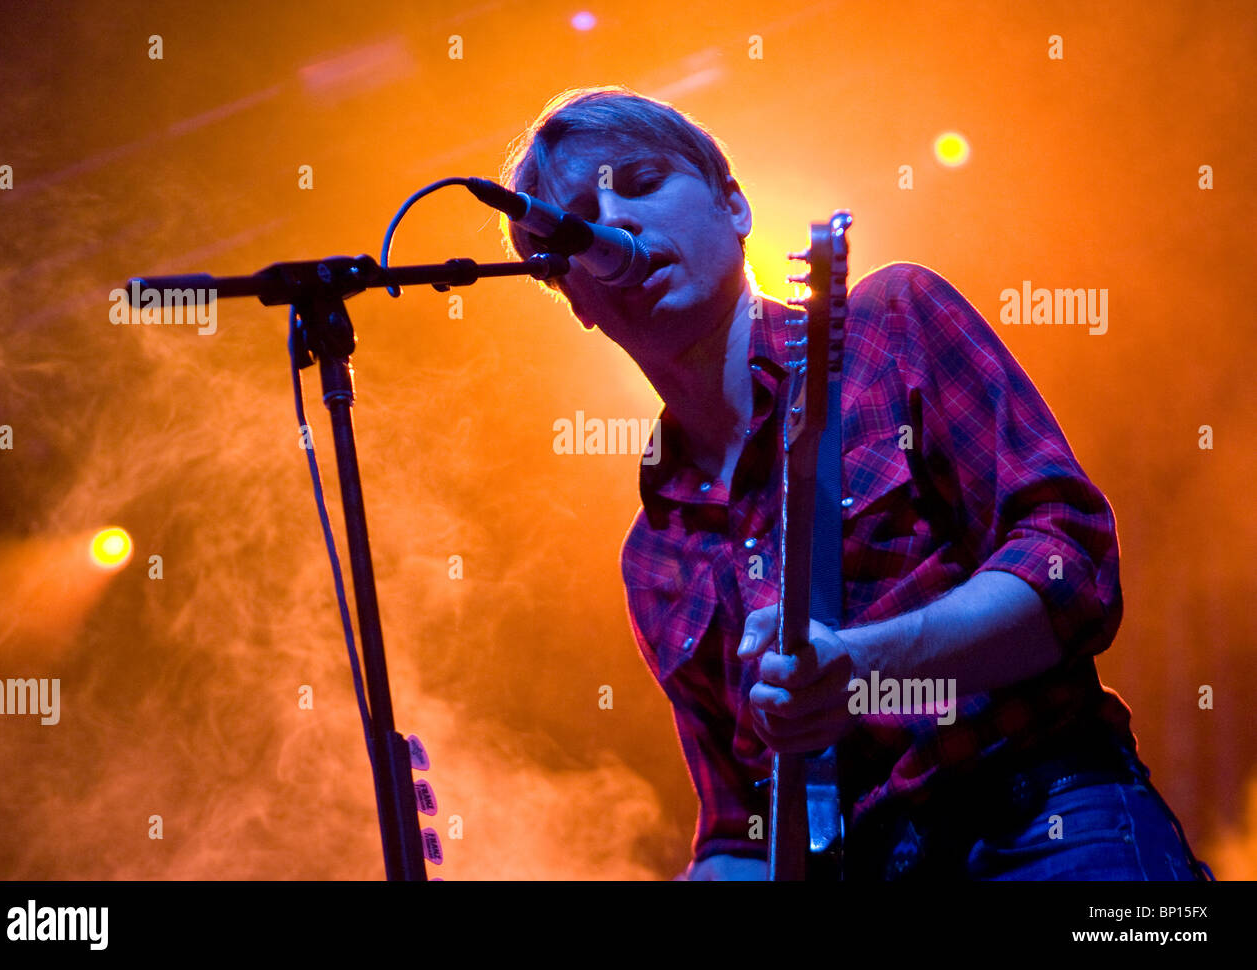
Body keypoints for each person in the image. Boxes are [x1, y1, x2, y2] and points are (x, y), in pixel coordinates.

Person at [499, 85, 1213, 881]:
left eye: (639, 182)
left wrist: (865, 670)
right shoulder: (654, 555)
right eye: (577, 229)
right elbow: (742, 828)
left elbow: (1071, 568)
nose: (616, 227)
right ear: (575, 300)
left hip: (1043, 818)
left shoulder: (890, 323)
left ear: (735, 207)